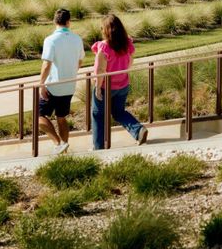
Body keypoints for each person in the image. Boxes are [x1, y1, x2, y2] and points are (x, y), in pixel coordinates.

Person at [91, 14, 148, 150]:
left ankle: (99, 147)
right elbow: (130, 61)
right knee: (119, 112)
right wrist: (123, 71)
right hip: (122, 84)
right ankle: (138, 130)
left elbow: (100, 70)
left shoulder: (104, 48)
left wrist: (98, 88)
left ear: (106, 30)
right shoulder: (126, 43)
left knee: (98, 115)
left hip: (106, 87)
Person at [38, 8, 84, 155]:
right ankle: (63, 150)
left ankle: (58, 143)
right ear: (69, 22)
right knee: (61, 117)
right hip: (69, 85)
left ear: (54, 21)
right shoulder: (77, 39)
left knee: (38, 118)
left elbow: (46, 64)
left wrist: (41, 84)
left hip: (54, 86)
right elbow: (80, 62)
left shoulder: (50, 40)